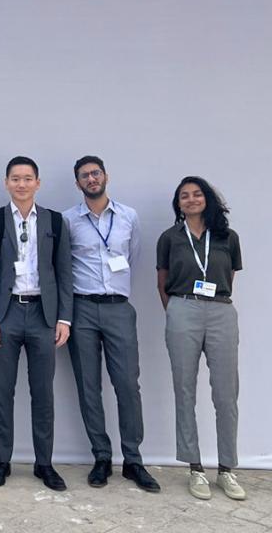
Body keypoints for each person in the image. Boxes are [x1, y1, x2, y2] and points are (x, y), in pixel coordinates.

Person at [63, 156, 160, 492]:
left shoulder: (128, 216)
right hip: (83, 308)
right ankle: (102, 456)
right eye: (84, 176)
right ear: (77, 184)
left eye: (95, 173)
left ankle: (133, 460)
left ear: (106, 176)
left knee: (127, 385)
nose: (91, 179)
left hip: (119, 307)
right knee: (89, 386)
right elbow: (64, 266)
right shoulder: (68, 220)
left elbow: (131, 257)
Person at [0, 156, 73, 491]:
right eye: (15, 178)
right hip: (6, 315)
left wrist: (64, 317)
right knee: (3, 391)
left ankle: (43, 463)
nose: (21, 184)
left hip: (44, 316)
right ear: (6, 183)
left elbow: (64, 273)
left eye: (27, 178)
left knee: (43, 393)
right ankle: (2, 461)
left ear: (38, 183)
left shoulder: (55, 222)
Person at [157, 176, 245, 501]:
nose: (191, 200)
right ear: (178, 204)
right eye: (184, 196)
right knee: (184, 390)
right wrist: (177, 312)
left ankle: (226, 470)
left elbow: (229, 277)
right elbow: (162, 281)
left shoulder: (227, 237)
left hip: (221, 310)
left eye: (196, 194)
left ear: (207, 199)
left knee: (226, 394)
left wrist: (211, 304)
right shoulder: (170, 238)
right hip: (182, 309)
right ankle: (195, 468)